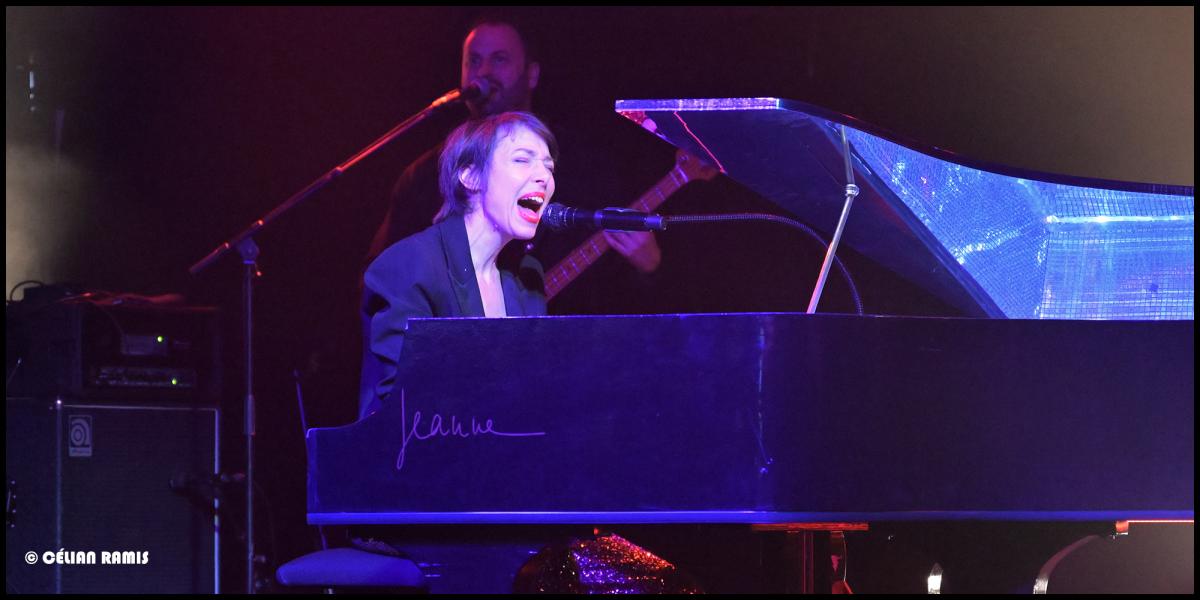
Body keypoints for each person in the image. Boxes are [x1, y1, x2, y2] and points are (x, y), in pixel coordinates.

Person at [366, 15, 661, 285]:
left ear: (531, 75)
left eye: (499, 60)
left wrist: (648, 266)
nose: (483, 72)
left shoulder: (581, 164)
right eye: (474, 61)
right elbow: (381, 281)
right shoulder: (427, 174)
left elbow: (617, 289)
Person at [359, 111, 556, 418]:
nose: (544, 177)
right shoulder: (409, 266)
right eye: (522, 160)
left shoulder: (525, 278)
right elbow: (404, 404)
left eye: (548, 166)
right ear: (471, 175)